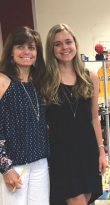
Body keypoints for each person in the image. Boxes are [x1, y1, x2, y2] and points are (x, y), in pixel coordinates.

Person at [44, 23, 107, 205]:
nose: (64, 47)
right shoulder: (45, 80)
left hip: (86, 150)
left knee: (87, 199)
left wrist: (101, 151)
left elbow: (94, 117)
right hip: (61, 153)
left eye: (68, 42)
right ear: (51, 48)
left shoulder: (90, 77)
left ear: (75, 44)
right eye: (58, 44)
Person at [0, 26, 50, 205]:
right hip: (15, 164)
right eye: (20, 46)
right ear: (11, 52)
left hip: (40, 162)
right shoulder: (3, 81)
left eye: (31, 47)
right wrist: (5, 168)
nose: (26, 51)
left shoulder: (39, 83)